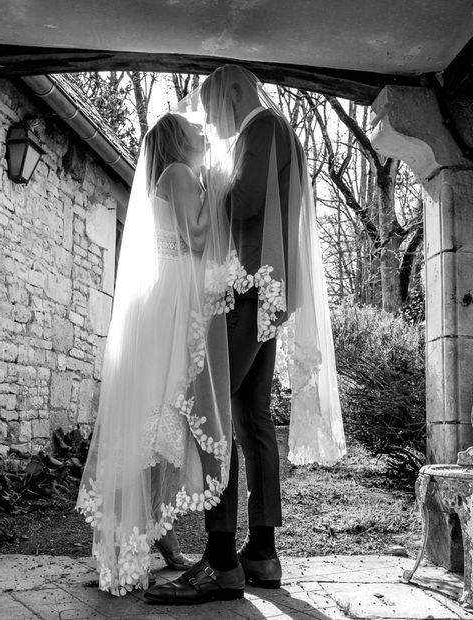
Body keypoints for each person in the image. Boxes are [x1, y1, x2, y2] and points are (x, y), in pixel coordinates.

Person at [144, 65, 347, 605]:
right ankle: (262, 552)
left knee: (212, 415)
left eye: (214, 109)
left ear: (234, 91)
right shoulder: (281, 132)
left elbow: (247, 202)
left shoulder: (262, 126)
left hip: (244, 292)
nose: (214, 124)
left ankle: (221, 561)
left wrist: (211, 185)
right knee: (253, 422)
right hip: (267, 294)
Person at [75, 112, 234, 595]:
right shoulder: (179, 173)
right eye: (192, 129)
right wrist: (219, 190)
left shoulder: (177, 176)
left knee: (164, 429)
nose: (202, 132)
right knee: (158, 424)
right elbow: (198, 238)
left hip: (170, 303)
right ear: (176, 140)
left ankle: (155, 534)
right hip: (171, 309)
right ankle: (131, 542)